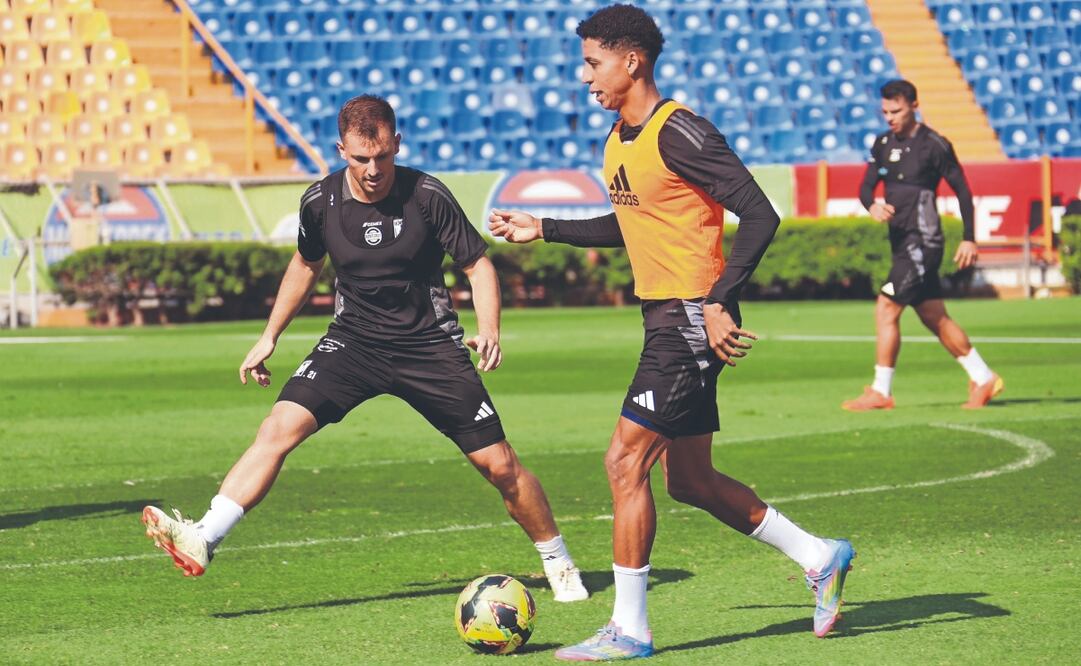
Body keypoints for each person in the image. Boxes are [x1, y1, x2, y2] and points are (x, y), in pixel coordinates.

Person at [489, 5, 854, 660]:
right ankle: (820, 556)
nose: (583, 77)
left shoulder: (678, 130)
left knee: (623, 461)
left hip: (688, 319)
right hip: (665, 316)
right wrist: (543, 228)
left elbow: (759, 214)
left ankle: (629, 629)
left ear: (631, 61)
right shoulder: (617, 138)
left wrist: (719, 300)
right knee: (690, 481)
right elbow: (629, 224)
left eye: (591, 61)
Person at [141, 95, 588, 604]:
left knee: (500, 466)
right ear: (341, 150)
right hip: (353, 342)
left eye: (382, 157)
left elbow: (477, 265)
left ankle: (558, 560)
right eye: (360, 159)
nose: (373, 170)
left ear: (396, 144)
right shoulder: (319, 201)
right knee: (278, 428)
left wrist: (490, 329)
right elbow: (306, 264)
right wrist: (270, 335)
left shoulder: (428, 195)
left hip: (429, 346)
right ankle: (205, 536)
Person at [843, 79, 1003, 412]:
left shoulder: (934, 144)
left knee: (886, 307)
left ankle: (880, 390)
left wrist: (970, 237)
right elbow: (866, 186)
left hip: (923, 242)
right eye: (885, 111)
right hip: (902, 243)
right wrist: (871, 204)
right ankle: (983, 376)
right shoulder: (883, 142)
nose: (890, 117)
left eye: (896, 110)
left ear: (915, 106)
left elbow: (962, 190)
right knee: (935, 316)